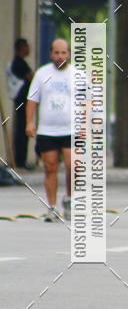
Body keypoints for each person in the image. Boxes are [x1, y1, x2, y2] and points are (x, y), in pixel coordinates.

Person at [26, 39, 73, 222]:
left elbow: (88, 102)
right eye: (56, 53)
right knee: (50, 167)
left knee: (73, 166)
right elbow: (32, 100)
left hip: (71, 129)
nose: (59, 56)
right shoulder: (42, 73)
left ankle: (69, 199)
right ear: (50, 54)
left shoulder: (77, 75)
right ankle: (52, 207)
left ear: (68, 54)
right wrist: (30, 122)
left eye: (63, 53)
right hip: (48, 130)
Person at [10, 38, 34, 168]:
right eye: (27, 46)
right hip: (21, 101)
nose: (29, 49)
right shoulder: (18, 63)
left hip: (24, 100)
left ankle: (21, 159)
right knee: (22, 129)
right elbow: (31, 77)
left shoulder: (21, 62)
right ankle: (20, 160)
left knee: (23, 129)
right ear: (22, 47)